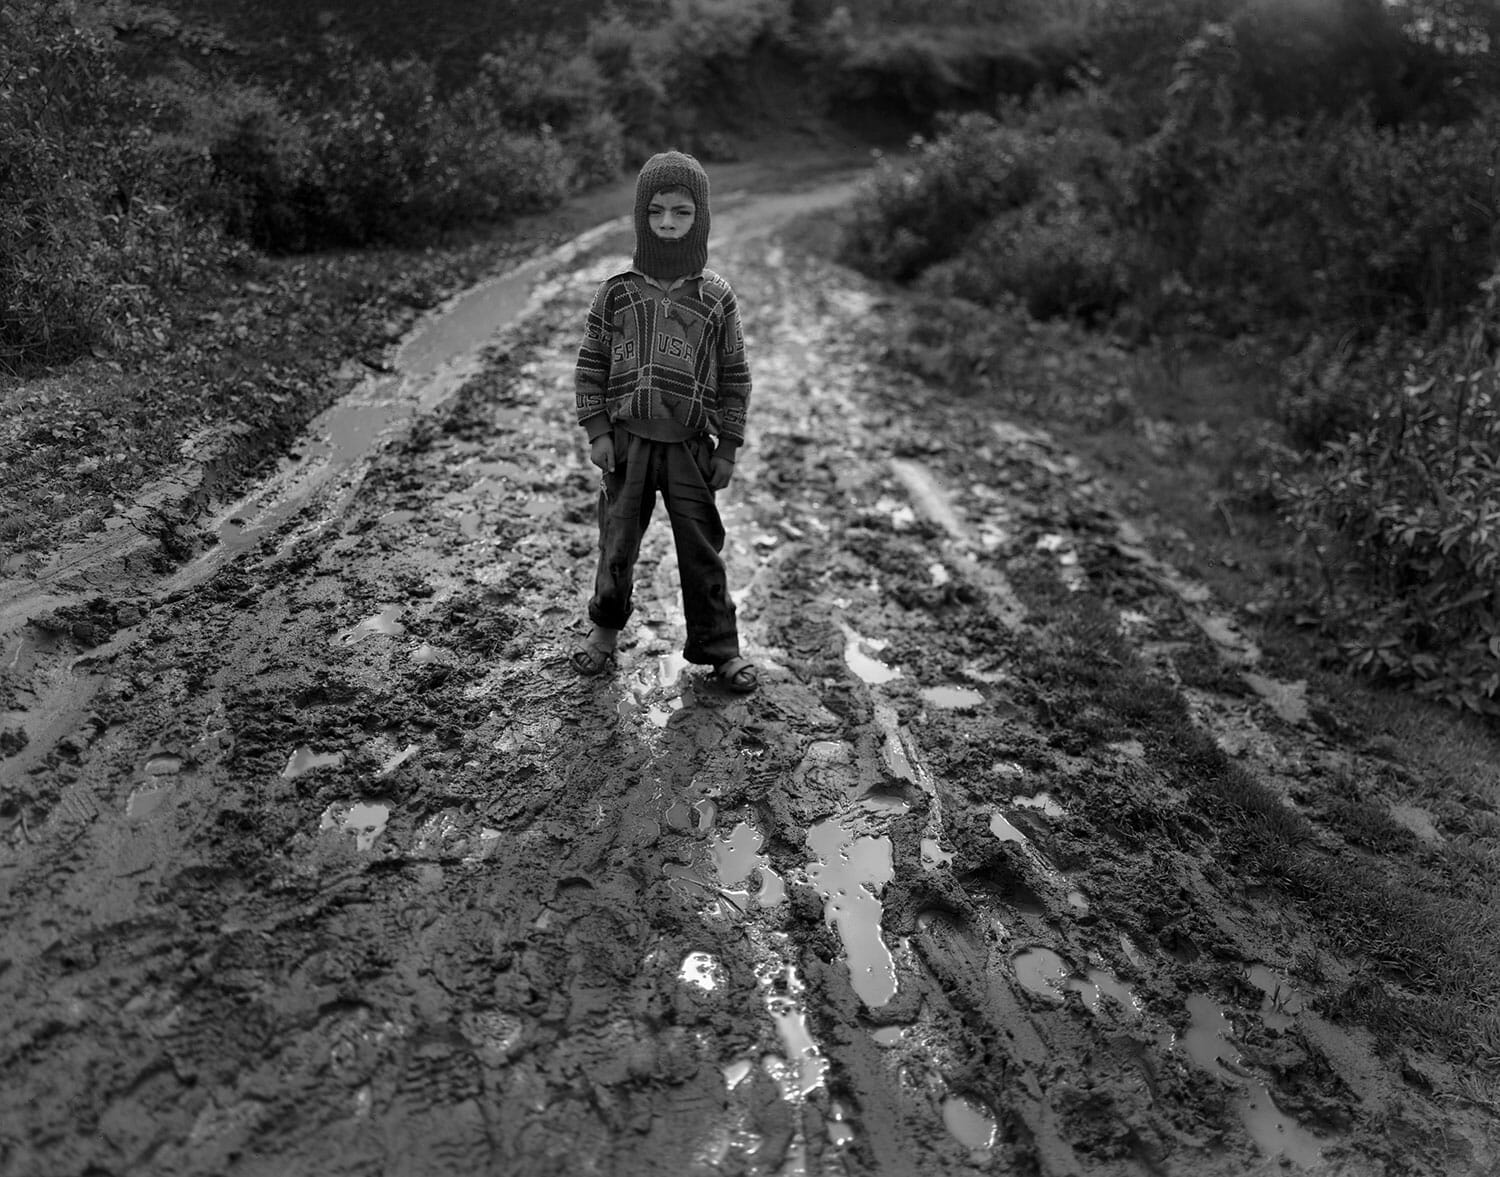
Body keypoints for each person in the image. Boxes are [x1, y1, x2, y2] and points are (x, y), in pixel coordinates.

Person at [570, 150, 758, 693]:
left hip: (690, 449)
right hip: (628, 445)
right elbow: (591, 364)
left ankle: (720, 649)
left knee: (702, 550)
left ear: (700, 217)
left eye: (681, 213)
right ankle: (604, 633)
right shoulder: (618, 292)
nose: (668, 225)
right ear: (640, 217)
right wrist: (598, 430)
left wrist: (727, 448)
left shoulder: (716, 297)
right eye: (656, 214)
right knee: (618, 542)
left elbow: (734, 378)